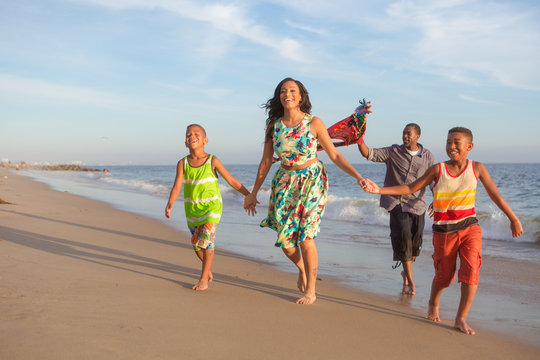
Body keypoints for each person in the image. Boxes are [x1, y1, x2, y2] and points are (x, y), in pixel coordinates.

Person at [363, 127, 523, 334]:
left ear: (469, 147)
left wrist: (513, 218)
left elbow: (496, 196)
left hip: (469, 227)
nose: (452, 146)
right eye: (449, 142)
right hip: (444, 232)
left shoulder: (477, 168)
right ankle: (433, 302)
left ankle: (460, 318)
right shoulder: (437, 170)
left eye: (457, 142)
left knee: (471, 271)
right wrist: (379, 190)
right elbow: (410, 188)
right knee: (444, 276)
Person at [243, 77, 366, 305]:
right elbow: (265, 162)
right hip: (284, 183)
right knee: (287, 243)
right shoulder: (274, 126)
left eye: (292, 90)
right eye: (283, 90)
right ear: (279, 96)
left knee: (306, 238)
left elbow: (335, 155)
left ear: (301, 96)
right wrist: (253, 193)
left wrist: (358, 177)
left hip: (311, 181)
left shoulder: (314, 123)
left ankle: (311, 290)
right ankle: (302, 268)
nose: (287, 94)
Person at [166, 124, 252, 291]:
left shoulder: (213, 160)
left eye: (196, 133)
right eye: (188, 134)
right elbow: (177, 187)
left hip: (211, 208)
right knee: (197, 245)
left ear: (205, 140)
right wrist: (170, 204)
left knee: (207, 243)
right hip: (192, 210)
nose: (192, 136)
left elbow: (232, 180)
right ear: (185, 142)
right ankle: (207, 269)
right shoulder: (182, 163)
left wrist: (249, 195)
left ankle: (204, 278)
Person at [358, 123, 435, 295]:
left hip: (418, 205)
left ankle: (406, 271)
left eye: (408, 134)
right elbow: (368, 153)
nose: (405, 136)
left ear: (417, 137)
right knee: (405, 239)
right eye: (403, 133)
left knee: (415, 246)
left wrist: (436, 198)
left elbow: (433, 179)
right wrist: (358, 139)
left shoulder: (428, 156)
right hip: (396, 203)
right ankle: (411, 283)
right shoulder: (393, 152)